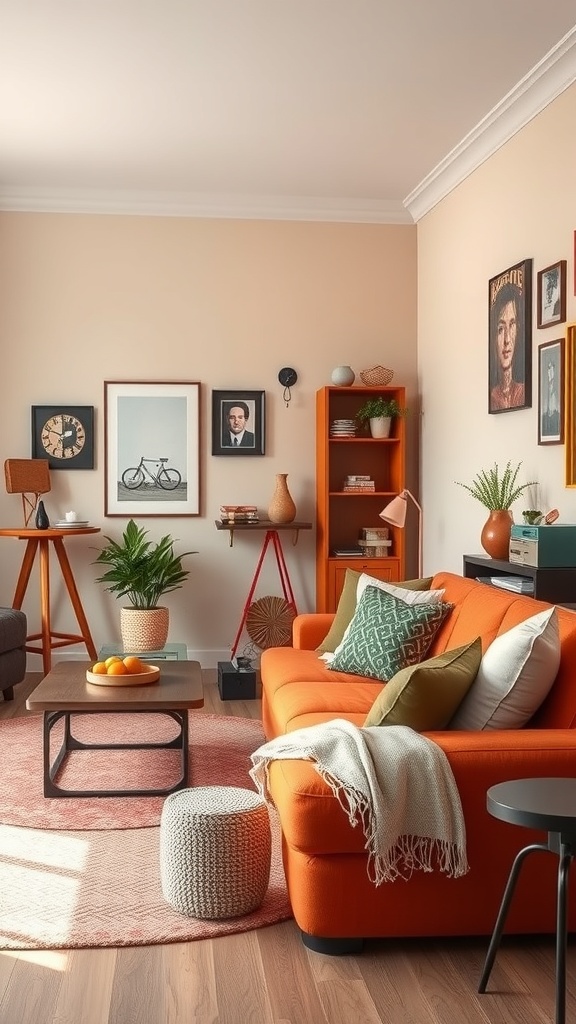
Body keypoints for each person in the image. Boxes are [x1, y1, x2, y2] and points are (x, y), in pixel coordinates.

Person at [490, 281, 525, 411]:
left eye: (512, 326)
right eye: (500, 329)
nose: (507, 340)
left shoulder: (523, 392)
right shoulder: (492, 397)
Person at [541, 357, 560, 438]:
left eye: (552, 368)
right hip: (547, 418)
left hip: (555, 416)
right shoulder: (545, 387)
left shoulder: (558, 386)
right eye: (549, 368)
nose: (550, 371)